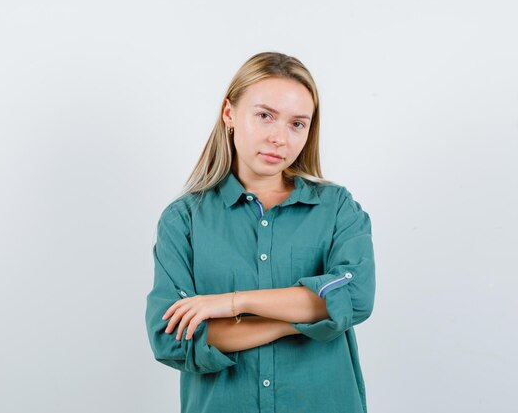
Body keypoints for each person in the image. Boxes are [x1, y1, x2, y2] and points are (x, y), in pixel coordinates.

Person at [145, 51, 376, 413]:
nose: (279, 138)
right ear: (229, 114)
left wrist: (231, 303)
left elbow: (356, 298)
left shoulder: (336, 209)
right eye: (265, 115)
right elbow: (173, 338)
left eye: (297, 124)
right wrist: (301, 321)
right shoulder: (183, 221)